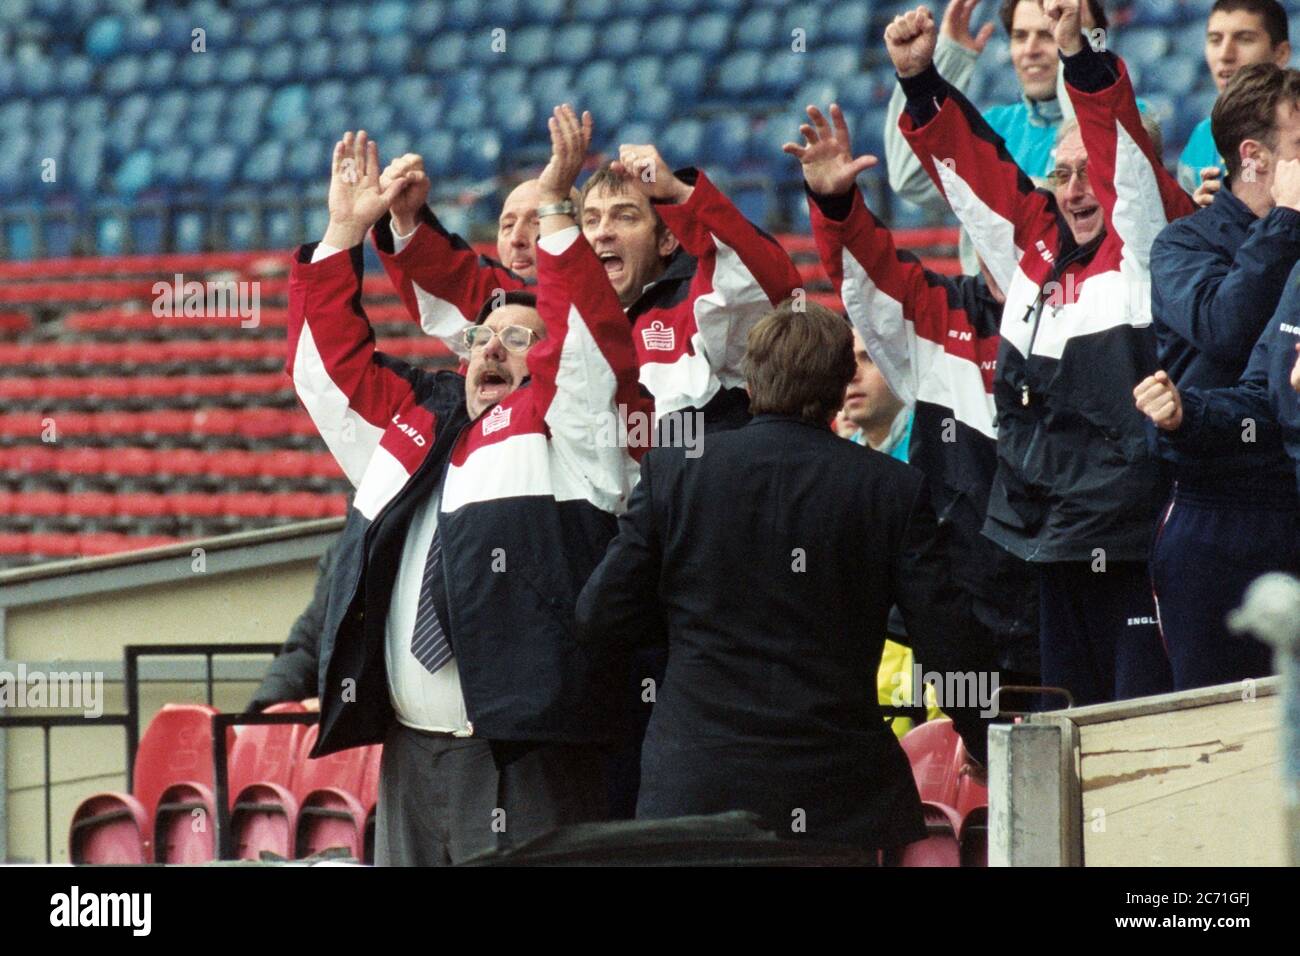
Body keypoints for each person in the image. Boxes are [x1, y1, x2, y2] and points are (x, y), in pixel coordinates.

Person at [286, 109, 651, 865]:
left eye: (520, 337)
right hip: (409, 755)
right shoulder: (424, 416)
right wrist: (342, 236)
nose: (494, 345)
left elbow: (587, 351)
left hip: (527, 760)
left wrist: (556, 209)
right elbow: (325, 377)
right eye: (484, 336)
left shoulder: (573, 430)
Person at [574, 298, 995, 852]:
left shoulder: (675, 470)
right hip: (834, 789)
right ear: (842, 385)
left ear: (751, 382)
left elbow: (599, 615)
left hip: (696, 780)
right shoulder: (890, 487)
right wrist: (984, 740)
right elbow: (945, 635)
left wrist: (688, 628)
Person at [889, 0, 1194, 705]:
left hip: (1128, 534)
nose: (1075, 189)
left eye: (1089, 172)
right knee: (1065, 738)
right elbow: (975, 174)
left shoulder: (1143, 244)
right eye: (1061, 175)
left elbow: (1126, 164)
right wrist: (921, 83)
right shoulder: (1034, 248)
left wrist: (1080, 58)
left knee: (1135, 729)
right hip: (1045, 534)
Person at [790, 102, 1041, 693]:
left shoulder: (1091, 302)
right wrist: (837, 207)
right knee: (967, 768)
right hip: (965, 612)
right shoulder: (943, 312)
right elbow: (872, 278)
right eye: (983, 228)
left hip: (1071, 590)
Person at [375, 147, 801, 432]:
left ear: (667, 240)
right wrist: (407, 220)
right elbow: (461, 285)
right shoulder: (544, 313)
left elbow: (764, 285)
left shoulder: (696, 309)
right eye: (592, 220)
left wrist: (676, 192)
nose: (602, 234)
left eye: (625, 217)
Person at [1146, 62, 1300, 690]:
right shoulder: (1182, 245)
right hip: (1220, 515)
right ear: (1255, 157)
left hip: (1291, 497)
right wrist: (1285, 224)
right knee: (1219, 730)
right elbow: (1226, 328)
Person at [883, 0, 1110, 274]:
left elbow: (1090, 137)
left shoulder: (1131, 123)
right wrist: (946, 61)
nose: (1030, 50)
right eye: (1019, 36)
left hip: (1082, 300)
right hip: (993, 312)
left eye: (1048, 34)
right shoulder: (993, 125)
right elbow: (912, 179)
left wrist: (1078, 51)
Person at [1178, 0, 1292, 199]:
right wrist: (1200, 216)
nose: (1225, 55)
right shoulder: (1202, 137)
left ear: (1280, 54)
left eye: (1244, 39)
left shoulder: (1294, 130)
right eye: (1215, 40)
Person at [246, 538, 335, 713]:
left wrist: (341, 703)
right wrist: (269, 706)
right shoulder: (343, 550)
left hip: (386, 730)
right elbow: (305, 648)